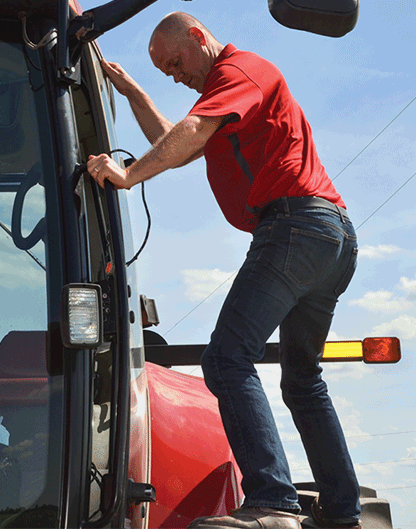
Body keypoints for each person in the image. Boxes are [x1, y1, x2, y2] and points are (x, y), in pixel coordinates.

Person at [87, 11, 362, 529]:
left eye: (176, 62)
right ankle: (342, 513)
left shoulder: (239, 71)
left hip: (295, 226)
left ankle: (273, 500)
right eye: (166, 72)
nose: (176, 76)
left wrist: (127, 175)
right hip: (328, 237)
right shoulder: (227, 96)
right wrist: (132, 92)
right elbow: (179, 142)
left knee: (226, 358)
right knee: (302, 379)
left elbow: (191, 130)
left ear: (198, 37)